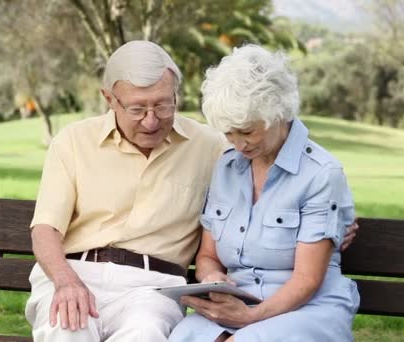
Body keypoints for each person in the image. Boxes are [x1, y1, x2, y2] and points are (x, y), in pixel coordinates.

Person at [25, 40, 358, 342]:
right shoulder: (73, 141)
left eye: (164, 105)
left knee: (147, 333)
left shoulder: (214, 147)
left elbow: (302, 173)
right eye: (138, 109)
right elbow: (46, 228)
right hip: (75, 272)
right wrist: (66, 281)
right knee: (67, 326)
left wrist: (334, 224)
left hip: (152, 288)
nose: (152, 121)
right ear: (109, 99)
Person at [168, 45, 360, 342]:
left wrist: (250, 317)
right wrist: (210, 277)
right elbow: (207, 255)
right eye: (229, 133)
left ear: (277, 113)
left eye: (247, 131)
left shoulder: (321, 173)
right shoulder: (227, 167)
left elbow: (307, 280)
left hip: (306, 310)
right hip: (239, 304)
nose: (239, 144)